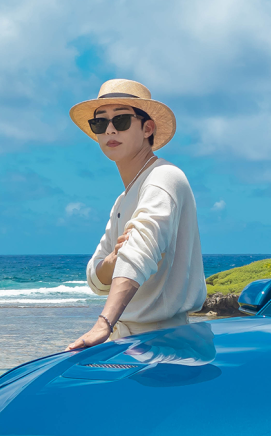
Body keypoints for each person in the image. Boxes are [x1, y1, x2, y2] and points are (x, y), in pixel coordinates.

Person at [67, 78, 206, 350]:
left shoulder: (163, 177)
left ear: (147, 128)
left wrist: (104, 324)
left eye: (120, 121)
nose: (109, 130)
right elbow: (94, 277)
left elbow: (140, 252)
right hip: (130, 344)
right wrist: (113, 260)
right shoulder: (123, 199)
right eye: (100, 123)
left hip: (164, 344)